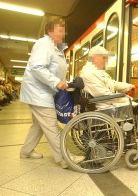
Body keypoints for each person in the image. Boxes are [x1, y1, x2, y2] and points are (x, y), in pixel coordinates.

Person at [80, 46, 138, 150]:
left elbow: (113, 84)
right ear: (95, 58)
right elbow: (104, 95)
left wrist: (129, 86)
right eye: (104, 58)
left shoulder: (95, 71)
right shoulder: (89, 74)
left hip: (106, 103)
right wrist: (127, 99)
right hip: (105, 106)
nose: (106, 61)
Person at [19, 16, 84, 169]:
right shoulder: (44, 44)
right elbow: (37, 67)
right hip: (38, 92)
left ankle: (26, 151)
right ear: (49, 31)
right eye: (60, 30)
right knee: (51, 125)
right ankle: (65, 157)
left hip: (44, 92)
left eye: (63, 30)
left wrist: (65, 81)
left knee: (39, 125)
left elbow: (56, 71)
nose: (63, 33)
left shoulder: (56, 48)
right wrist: (56, 82)